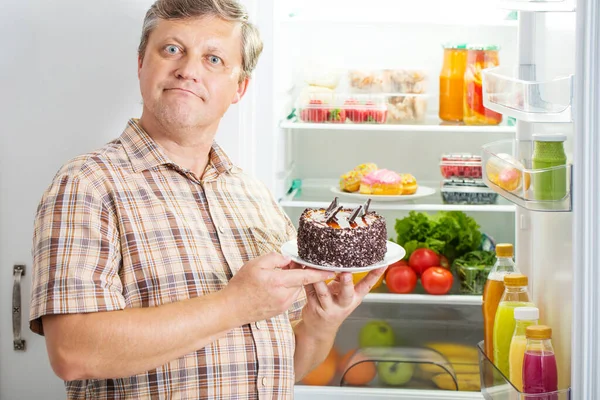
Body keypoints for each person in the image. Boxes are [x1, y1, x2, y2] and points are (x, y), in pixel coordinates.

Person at [29, 0, 386, 398]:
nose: (188, 69)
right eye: (171, 49)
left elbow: (287, 366)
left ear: (240, 88)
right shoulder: (88, 184)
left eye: (213, 58)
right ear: (141, 65)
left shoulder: (254, 198)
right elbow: (73, 352)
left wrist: (322, 324)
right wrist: (235, 304)